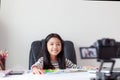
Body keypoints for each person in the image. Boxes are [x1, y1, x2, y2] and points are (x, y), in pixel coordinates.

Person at [31, 33, 96, 74]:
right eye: (51, 44)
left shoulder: (64, 60)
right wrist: (35, 69)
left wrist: (88, 67)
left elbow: (76, 68)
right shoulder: (42, 60)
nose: (55, 47)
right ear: (46, 46)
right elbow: (34, 67)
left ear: (62, 47)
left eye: (58, 44)